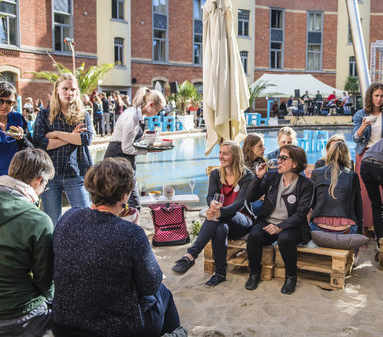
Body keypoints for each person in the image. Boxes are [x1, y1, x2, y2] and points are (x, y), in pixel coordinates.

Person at [52, 158, 182, 337]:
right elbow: (150, 285)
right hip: (115, 330)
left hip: (63, 325)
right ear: (125, 195)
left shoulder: (69, 217)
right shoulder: (131, 233)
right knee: (163, 293)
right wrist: (135, 231)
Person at [172, 141, 254, 286]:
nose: (221, 156)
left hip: (242, 220)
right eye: (220, 153)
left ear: (235, 156)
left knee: (216, 219)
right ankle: (220, 273)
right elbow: (210, 196)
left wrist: (218, 212)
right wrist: (213, 205)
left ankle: (190, 255)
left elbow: (239, 204)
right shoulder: (216, 173)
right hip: (221, 219)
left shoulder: (247, 176)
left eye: (225, 153)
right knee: (220, 228)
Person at [245, 145, 314, 294]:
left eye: (283, 158)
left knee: (285, 238)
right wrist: (258, 177)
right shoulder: (272, 177)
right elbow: (250, 197)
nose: (279, 160)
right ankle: (254, 273)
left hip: (292, 226)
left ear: (295, 164)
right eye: (279, 157)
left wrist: (280, 226)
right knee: (255, 234)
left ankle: (291, 276)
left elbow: (301, 214)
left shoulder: (306, 184)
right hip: (269, 221)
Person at [0, 149, 55, 337]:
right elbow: (45, 279)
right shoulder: (38, 220)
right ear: (38, 181)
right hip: (20, 312)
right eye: (45, 187)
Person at [33, 73, 93, 226]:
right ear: (57, 90)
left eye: (73, 89)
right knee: (52, 221)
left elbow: (86, 139)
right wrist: (72, 137)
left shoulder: (83, 115)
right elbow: (40, 142)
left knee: (85, 220)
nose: (69, 93)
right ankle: (54, 250)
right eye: (65, 88)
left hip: (76, 172)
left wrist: (56, 134)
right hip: (49, 174)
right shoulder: (45, 115)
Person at [104, 87, 166, 210]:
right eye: (157, 110)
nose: (156, 114)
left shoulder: (137, 115)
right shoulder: (132, 117)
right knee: (133, 205)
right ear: (151, 104)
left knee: (123, 205)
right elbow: (126, 148)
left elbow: (131, 141)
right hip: (117, 162)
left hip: (124, 162)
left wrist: (148, 142)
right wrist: (149, 150)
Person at [352, 83, 383, 233]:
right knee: (363, 192)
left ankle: (380, 227)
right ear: (370, 96)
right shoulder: (360, 114)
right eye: (376, 95)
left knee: (382, 190)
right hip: (364, 154)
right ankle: (362, 228)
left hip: (382, 155)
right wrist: (363, 127)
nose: (379, 99)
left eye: (382, 96)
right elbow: (356, 138)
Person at [310, 141, 363, 236]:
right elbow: (358, 206)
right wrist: (359, 233)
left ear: (329, 154)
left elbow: (312, 203)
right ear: (347, 156)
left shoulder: (316, 173)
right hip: (345, 229)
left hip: (319, 227)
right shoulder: (352, 175)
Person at [0, 81, 34, 176]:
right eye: (0, 101)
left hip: (16, 176)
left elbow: (31, 148)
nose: (4, 106)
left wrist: (21, 139)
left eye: (9, 102)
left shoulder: (18, 118)